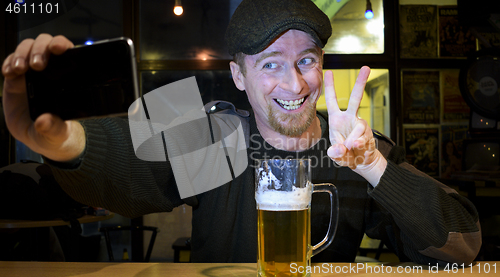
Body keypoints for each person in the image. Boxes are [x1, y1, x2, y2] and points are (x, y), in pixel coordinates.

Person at [2, 0, 480, 265]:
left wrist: (374, 164)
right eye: (270, 64)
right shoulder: (217, 130)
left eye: (306, 61)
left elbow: (463, 242)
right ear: (238, 76)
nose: (294, 83)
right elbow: (127, 158)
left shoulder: (355, 146)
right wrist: (57, 140)